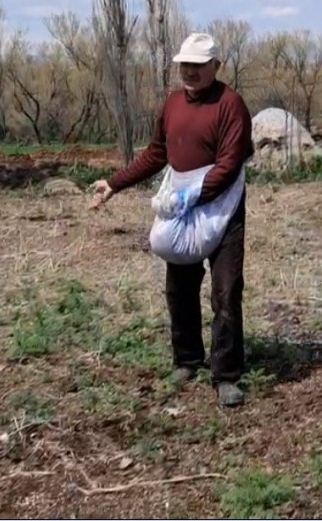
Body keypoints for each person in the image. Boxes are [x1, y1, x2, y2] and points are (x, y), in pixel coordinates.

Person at [92, 32, 255, 407]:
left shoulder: (231, 105)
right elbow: (156, 154)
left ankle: (226, 375)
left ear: (216, 65)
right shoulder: (172, 105)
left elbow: (230, 165)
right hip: (182, 204)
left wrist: (194, 194)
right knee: (178, 286)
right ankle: (187, 360)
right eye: (185, 64)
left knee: (226, 290)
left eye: (198, 65)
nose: (190, 72)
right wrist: (114, 184)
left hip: (222, 206)